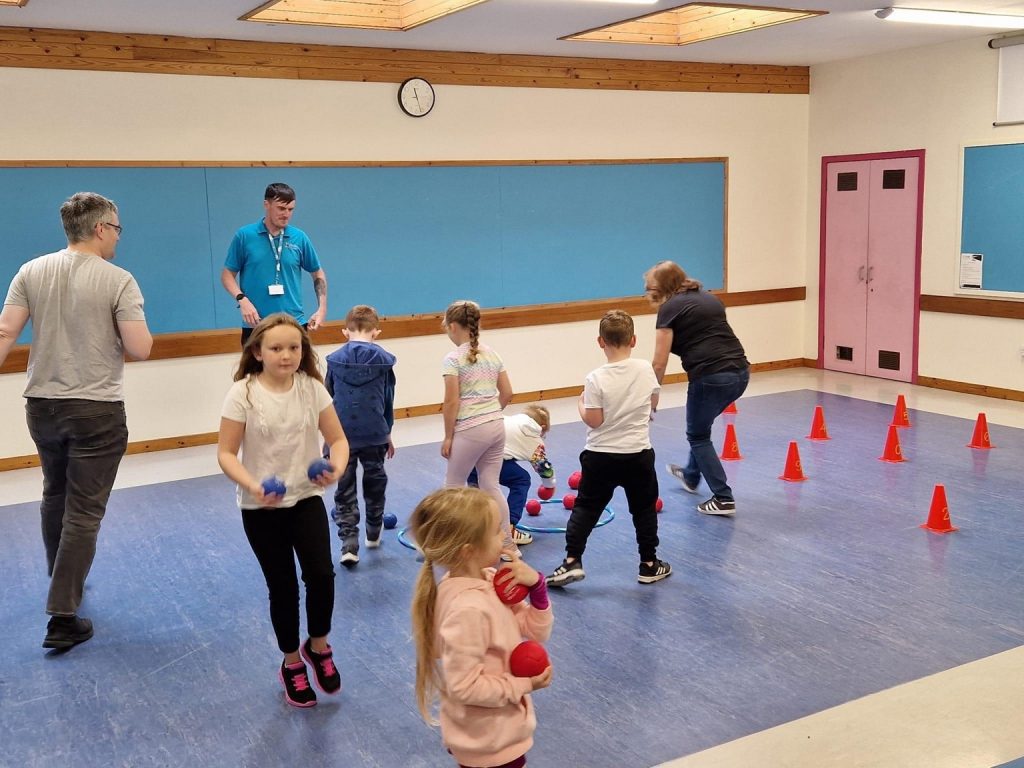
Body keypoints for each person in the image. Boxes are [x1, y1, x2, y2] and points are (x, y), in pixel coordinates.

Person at [0, 192, 153, 650]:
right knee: (84, 510)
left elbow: (6, 331)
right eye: (118, 229)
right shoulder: (119, 280)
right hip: (96, 409)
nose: (118, 238)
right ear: (102, 228)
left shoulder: (31, 270)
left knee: (55, 492)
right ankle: (62, 616)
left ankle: (60, 575)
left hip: (41, 405)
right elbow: (141, 348)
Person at [217, 313, 349, 708]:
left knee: (322, 576)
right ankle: (292, 662)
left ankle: (319, 647)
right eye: (276, 348)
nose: (286, 355)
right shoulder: (243, 393)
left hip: (306, 497)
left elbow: (337, 440)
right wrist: (254, 484)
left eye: (294, 347)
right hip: (261, 507)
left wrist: (335, 468)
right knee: (284, 588)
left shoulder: (311, 388)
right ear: (257, 351)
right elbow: (225, 453)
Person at [409, 486, 553, 768]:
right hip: (488, 739)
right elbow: (465, 687)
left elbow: (536, 631)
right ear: (469, 551)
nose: (505, 536)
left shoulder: (488, 580)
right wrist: (525, 684)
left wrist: (537, 587)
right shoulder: (468, 610)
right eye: (498, 531)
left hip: (496, 732)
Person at [547, 309, 671, 587]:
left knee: (587, 508)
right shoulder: (646, 370)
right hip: (638, 454)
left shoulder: (595, 378)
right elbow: (652, 404)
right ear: (634, 340)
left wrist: (580, 404)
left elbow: (595, 420)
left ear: (600, 341)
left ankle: (571, 561)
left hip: (601, 456)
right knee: (644, 510)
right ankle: (649, 564)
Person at [645, 260, 750, 516]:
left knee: (698, 435)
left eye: (650, 288)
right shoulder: (709, 299)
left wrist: (652, 397)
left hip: (710, 377)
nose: (648, 293)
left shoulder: (669, 308)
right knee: (701, 428)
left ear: (663, 287)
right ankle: (691, 475)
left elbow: (659, 362)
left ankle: (723, 498)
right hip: (740, 373)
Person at [324, 304, 397, 568]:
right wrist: (387, 432)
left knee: (345, 489)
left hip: (341, 436)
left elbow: (327, 398)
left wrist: (328, 439)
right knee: (375, 481)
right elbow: (387, 400)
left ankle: (348, 546)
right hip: (375, 432)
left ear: (345, 332)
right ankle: (374, 530)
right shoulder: (384, 362)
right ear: (376, 332)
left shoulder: (334, 361)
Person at [440, 300, 514, 551]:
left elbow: (451, 401)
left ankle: (447, 543)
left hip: (471, 429)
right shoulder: (492, 353)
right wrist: (490, 413)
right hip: (496, 426)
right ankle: (507, 545)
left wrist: (448, 437)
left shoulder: (452, 359)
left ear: (452, 327)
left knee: (452, 486)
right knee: (490, 485)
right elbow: (507, 393)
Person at [221, 183, 328, 346]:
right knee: (258, 372)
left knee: (295, 371)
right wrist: (242, 300)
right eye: (281, 208)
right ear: (266, 204)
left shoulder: (299, 237)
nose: (286, 214)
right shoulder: (245, 236)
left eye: (290, 209)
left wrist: (321, 309)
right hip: (257, 325)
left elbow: (317, 273)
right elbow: (227, 275)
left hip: (294, 323)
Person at [468, 405, 557, 547]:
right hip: (491, 459)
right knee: (522, 480)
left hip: (469, 454)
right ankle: (508, 529)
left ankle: (472, 529)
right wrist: (549, 486)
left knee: (476, 493)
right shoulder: (534, 439)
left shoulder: (508, 419)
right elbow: (544, 469)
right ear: (542, 426)